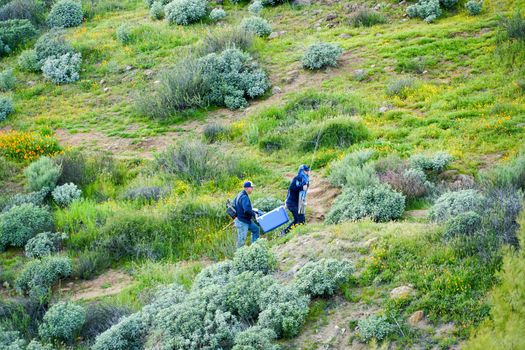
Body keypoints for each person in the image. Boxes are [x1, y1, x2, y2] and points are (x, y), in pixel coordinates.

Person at [281, 165, 310, 236]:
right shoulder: (297, 178)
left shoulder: (306, 179)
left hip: (300, 202)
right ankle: (285, 232)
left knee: (302, 219)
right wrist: (301, 187)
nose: (308, 172)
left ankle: (300, 233)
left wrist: (306, 186)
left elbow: (304, 190)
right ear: (302, 171)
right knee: (298, 219)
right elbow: (292, 188)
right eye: (306, 171)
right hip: (292, 203)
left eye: (308, 170)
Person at [234, 181, 260, 248]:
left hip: (246, 220)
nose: (252, 189)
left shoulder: (240, 194)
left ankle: (254, 248)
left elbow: (235, 204)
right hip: (242, 221)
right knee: (241, 241)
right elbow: (247, 209)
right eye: (251, 187)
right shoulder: (244, 197)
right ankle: (239, 256)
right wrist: (254, 215)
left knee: (256, 230)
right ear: (247, 188)